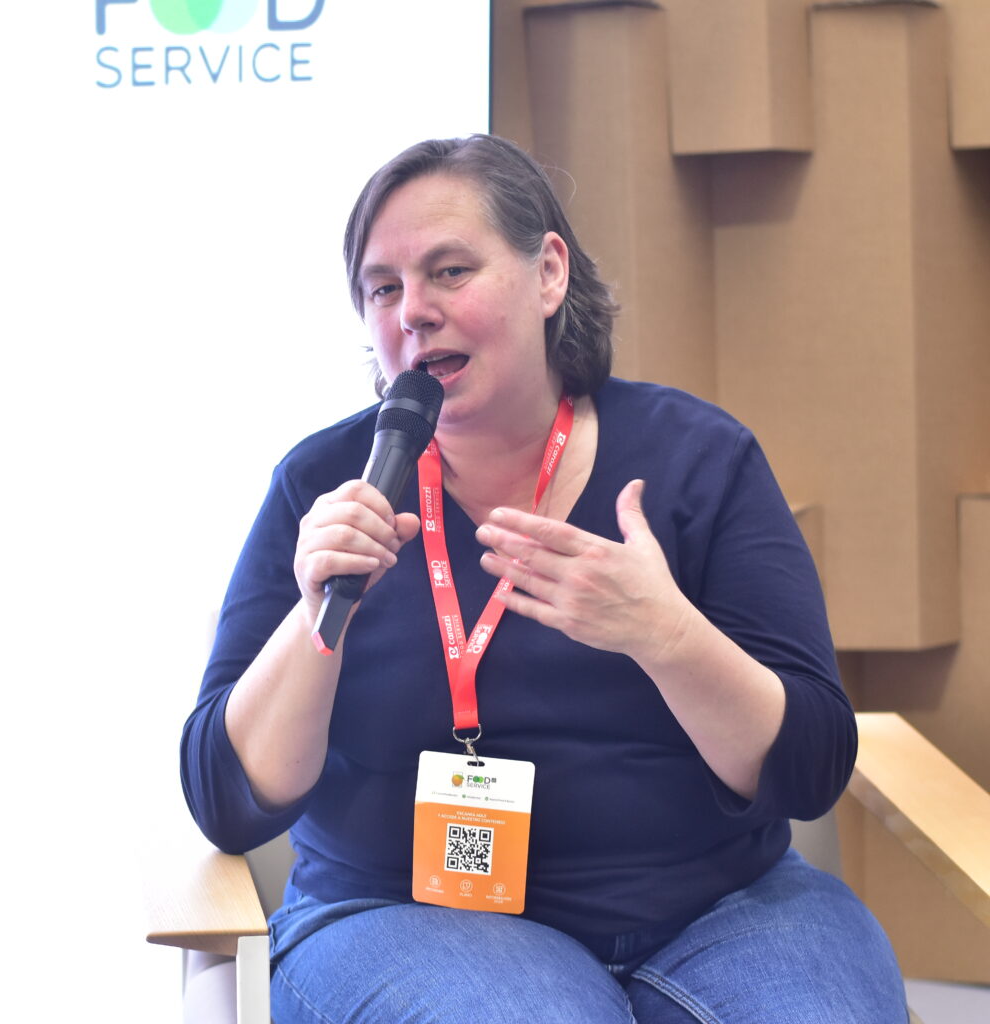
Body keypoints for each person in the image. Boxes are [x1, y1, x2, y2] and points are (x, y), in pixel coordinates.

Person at [180, 134, 908, 1023]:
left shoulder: (700, 462)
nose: (414, 312)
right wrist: (313, 618)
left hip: (721, 912)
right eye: (383, 288)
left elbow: (811, 768)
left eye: (450, 271)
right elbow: (225, 800)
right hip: (406, 917)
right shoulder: (324, 485)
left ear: (549, 273)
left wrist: (666, 636)